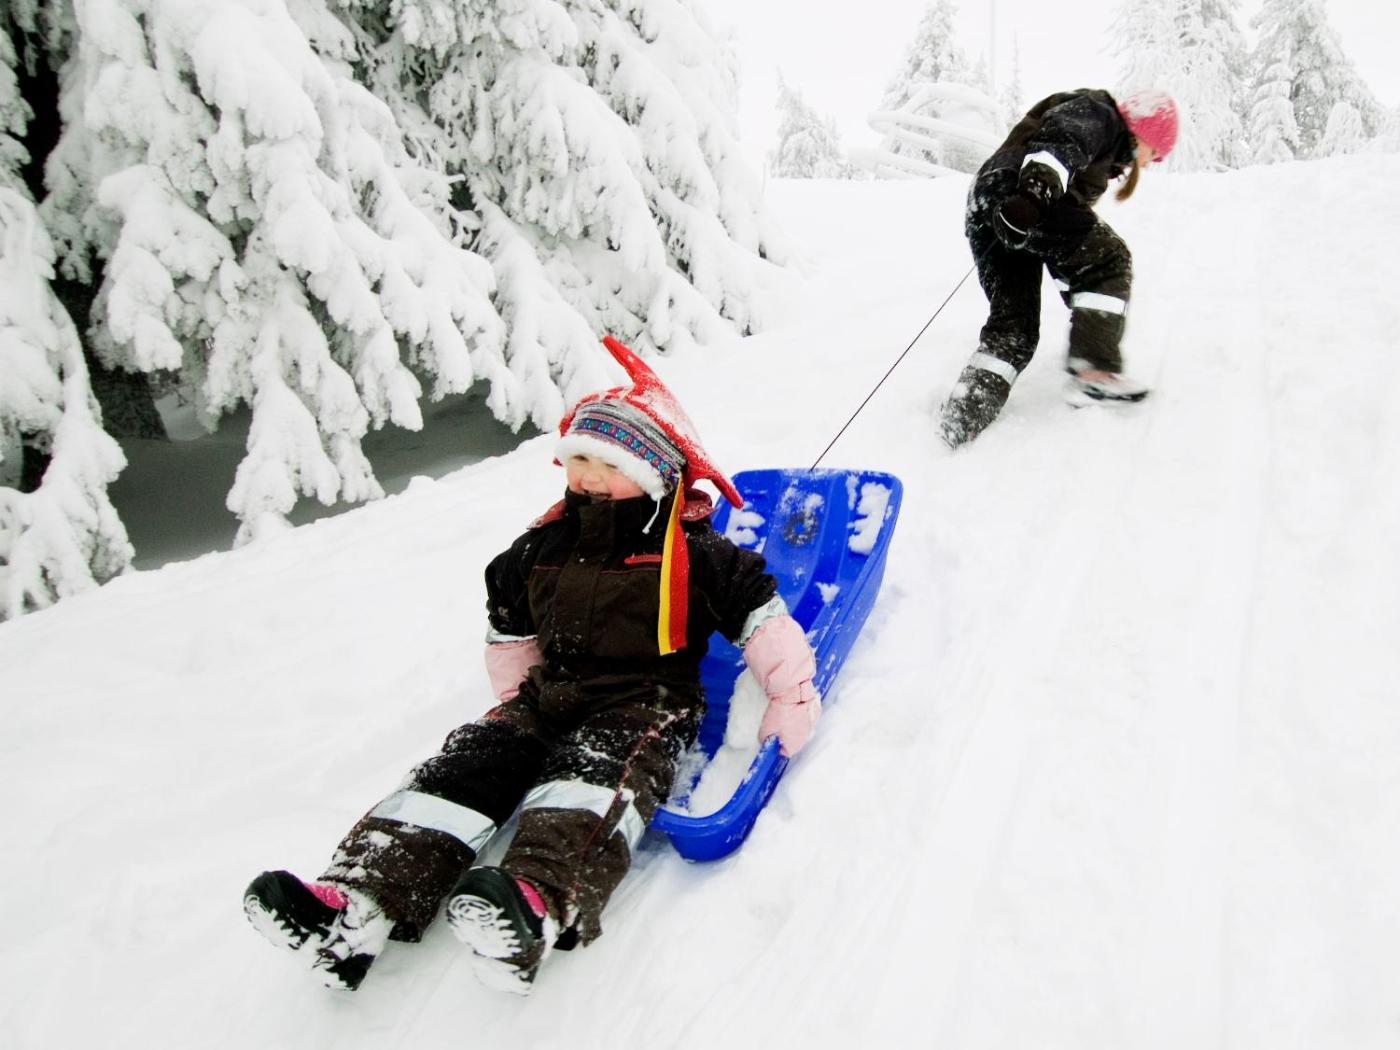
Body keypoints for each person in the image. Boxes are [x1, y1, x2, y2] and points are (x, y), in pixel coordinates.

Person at [242, 336, 821, 995]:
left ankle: (534, 907)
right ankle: (354, 907)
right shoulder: (543, 545)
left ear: (653, 472)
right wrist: (517, 712)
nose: (587, 477)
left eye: (608, 463)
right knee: (463, 767)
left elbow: (760, 616)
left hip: (646, 701)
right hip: (549, 694)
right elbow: (510, 625)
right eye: (577, 459)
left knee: (589, 784)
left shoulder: (692, 551)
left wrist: (791, 695)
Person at [939, 88, 1179, 447]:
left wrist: (1082, 298)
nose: (1149, 163)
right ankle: (1094, 370)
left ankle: (960, 420)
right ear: (1144, 129)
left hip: (989, 203)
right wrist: (1033, 195)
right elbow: (1061, 140)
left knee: (1015, 329)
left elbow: (1068, 257)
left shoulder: (1105, 153)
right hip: (1019, 192)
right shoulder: (1100, 114)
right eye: (1154, 152)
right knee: (1110, 260)